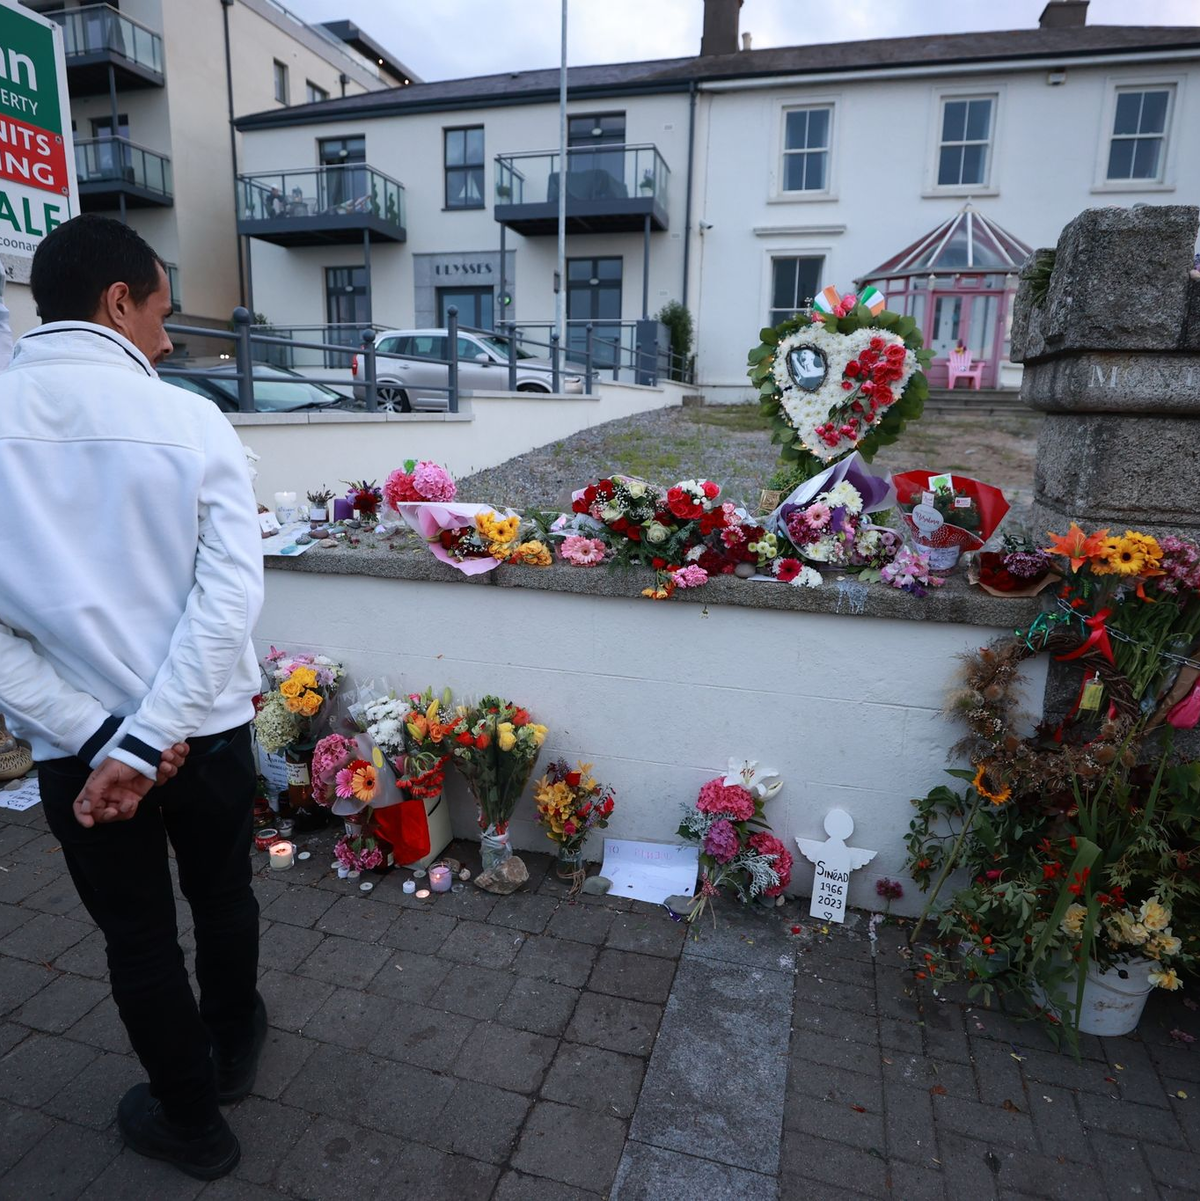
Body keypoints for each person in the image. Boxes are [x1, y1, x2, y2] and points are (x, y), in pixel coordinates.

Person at [0, 215, 266, 1180]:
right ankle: (233, 1046)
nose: (166, 333)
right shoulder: (191, 418)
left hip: (84, 756)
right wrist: (153, 735)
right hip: (206, 729)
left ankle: (193, 1122)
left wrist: (107, 737)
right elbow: (231, 594)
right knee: (224, 892)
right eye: (159, 308)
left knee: (140, 936)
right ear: (119, 300)